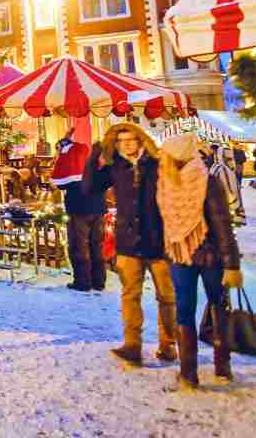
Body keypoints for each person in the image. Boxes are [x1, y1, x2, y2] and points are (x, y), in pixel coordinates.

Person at [83, 122, 177, 366]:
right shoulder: (117, 167)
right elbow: (89, 187)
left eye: (130, 140)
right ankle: (132, 345)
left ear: (140, 140)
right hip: (128, 242)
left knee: (167, 296)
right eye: (121, 141)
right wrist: (94, 156)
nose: (126, 144)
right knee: (130, 295)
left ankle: (168, 344)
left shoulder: (157, 164)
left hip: (158, 241)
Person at [156, 133, 242, 389]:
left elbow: (222, 224)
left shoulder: (208, 181)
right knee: (187, 310)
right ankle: (189, 371)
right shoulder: (165, 182)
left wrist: (232, 264)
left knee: (215, 305)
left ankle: (221, 364)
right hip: (180, 254)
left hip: (210, 255)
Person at [53, 129, 106, 292]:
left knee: (79, 246)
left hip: (78, 210)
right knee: (96, 245)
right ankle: (98, 281)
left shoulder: (70, 159)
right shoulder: (93, 161)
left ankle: (82, 282)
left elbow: (60, 182)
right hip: (98, 209)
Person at [209, 146, 246, 228]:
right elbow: (228, 190)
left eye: (231, 158)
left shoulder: (216, 167)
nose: (231, 161)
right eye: (228, 159)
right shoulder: (223, 169)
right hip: (227, 209)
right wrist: (234, 204)